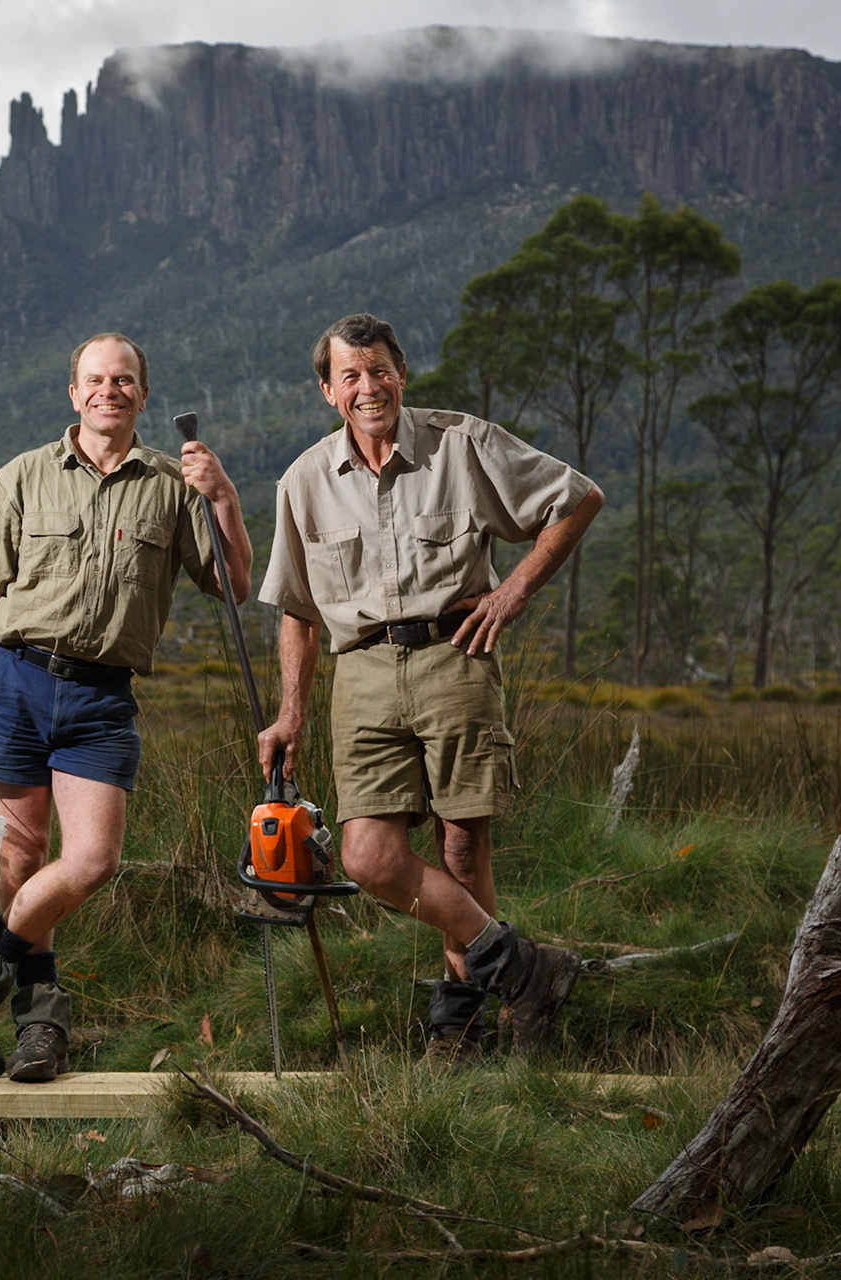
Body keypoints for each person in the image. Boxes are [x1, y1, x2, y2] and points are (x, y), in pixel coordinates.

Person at [256, 313, 604, 1064]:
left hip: (456, 656)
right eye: (350, 375)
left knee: (461, 843)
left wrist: (509, 595)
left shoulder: (463, 443)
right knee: (369, 857)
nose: (367, 387)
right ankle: (526, 970)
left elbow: (577, 500)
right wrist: (291, 713)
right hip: (362, 673)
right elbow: (296, 609)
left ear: (401, 374)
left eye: (378, 370)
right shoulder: (304, 481)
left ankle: (458, 1025)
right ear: (328, 391)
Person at [0, 332, 251, 1083]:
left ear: (143, 393)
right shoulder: (25, 476)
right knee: (24, 856)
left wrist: (223, 497)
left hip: (102, 694)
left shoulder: (173, 485)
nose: (111, 390)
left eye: (125, 379)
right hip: (11, 678)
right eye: (96, 380)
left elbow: (231, 584)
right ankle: (39, 1025)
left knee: (92, 860)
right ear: (74, 393)